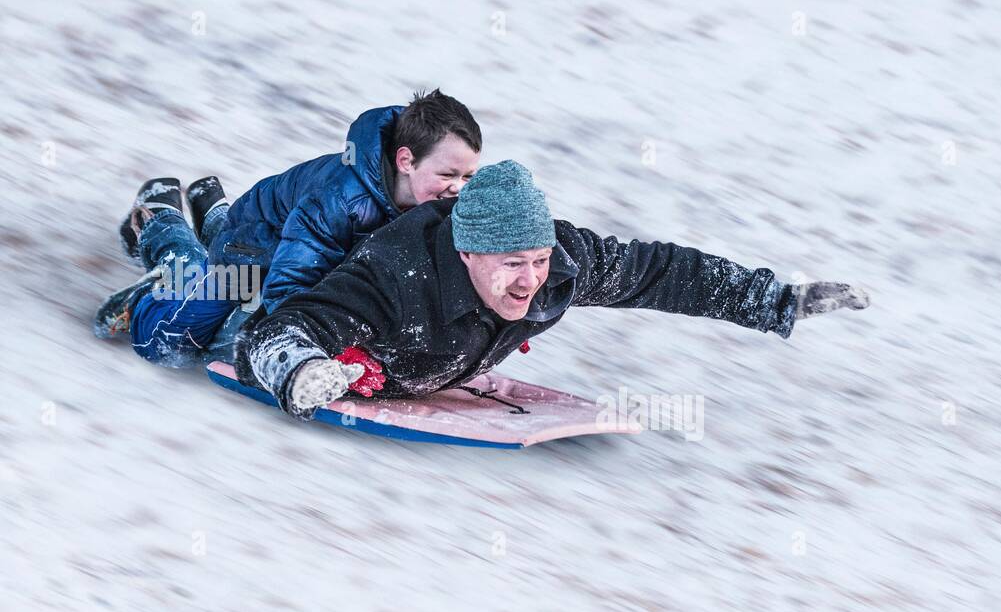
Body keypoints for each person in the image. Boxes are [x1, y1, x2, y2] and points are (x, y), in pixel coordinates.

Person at [235, 160, 870, 419]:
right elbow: (283, 330)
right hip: (268, 288)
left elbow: (662, 271)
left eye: (538, 259)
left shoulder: (561, 265)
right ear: (467, 251)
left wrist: (774, 300)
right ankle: (166, 224)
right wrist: (298, 371)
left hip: (407, 351)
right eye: (514, 263)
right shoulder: (395, 279)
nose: (531, 279)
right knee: (213, 280)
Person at [94, 90, 482, 366]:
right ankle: (162, 231)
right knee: (173, 344)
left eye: (468, 176)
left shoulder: (435, 199)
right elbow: (293, 274)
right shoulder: (339, 200)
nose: (458, 188)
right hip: (250, 253)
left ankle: (209, 207)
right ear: (405, 161)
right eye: (448, 174)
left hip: (300, 250)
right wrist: (301, 345)